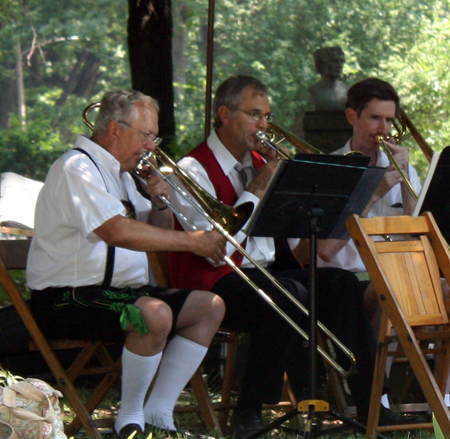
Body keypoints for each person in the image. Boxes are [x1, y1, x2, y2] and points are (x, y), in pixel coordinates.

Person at [167, 75, 393, 437]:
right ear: (224, 114)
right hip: (215, 281)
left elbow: (285, 243)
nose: (264, 126)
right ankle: (250, 409)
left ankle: (372, 404)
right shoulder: (190, 170)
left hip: (268, 272)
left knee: (342, 283)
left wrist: (294, 185)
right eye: (255, 115)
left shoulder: (261, 162)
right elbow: (216, 249)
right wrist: (258, 187)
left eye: (267, 116)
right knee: (287, 295)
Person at [26, 90, 228, 439]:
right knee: (152, 314)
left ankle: (158, 412)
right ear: (115, 130)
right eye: (146, 135)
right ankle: (129, 421)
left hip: (121, 294)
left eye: (154, 137)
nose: (151, 146)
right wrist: (193, 242)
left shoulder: (122, 173)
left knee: (209, 306)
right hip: (68, 298)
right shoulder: (76, 169)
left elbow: (155, 237)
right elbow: (116, 232)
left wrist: (161, 205)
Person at [317, 78, 422, 327]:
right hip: (347, 283)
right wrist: (372, 193)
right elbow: (325, 251)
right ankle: (376, 367)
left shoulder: (401, 168)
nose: (383, 129)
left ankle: (429, 368)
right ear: (352, 116)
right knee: (394, 291)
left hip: (396, 276)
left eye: (389, 120)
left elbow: (418, 241)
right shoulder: (327, 170)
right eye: (375, 118)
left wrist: (405, 178)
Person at [309, 46, 349, 112]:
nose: (339, 65)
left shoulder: (348, 92)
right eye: (334, 61)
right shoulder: (312, 92)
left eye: (341, 61)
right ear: (322, 64)